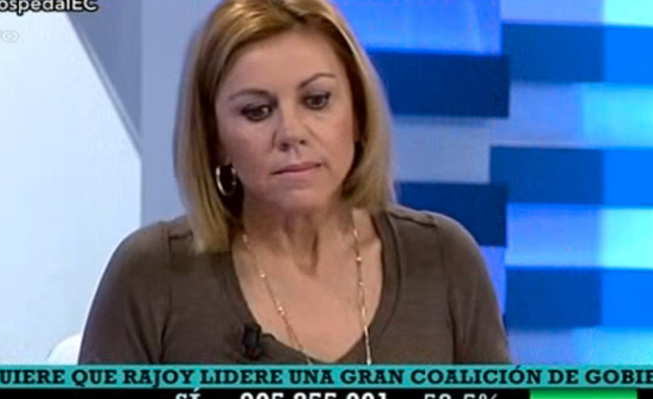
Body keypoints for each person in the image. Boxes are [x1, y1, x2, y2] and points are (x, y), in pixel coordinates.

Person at [79, 0, 510, 364]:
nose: (290, 133)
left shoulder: (444, 260)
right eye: (256, 111)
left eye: (316, 101)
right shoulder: (153, 276)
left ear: (358, 115)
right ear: (216, 139)